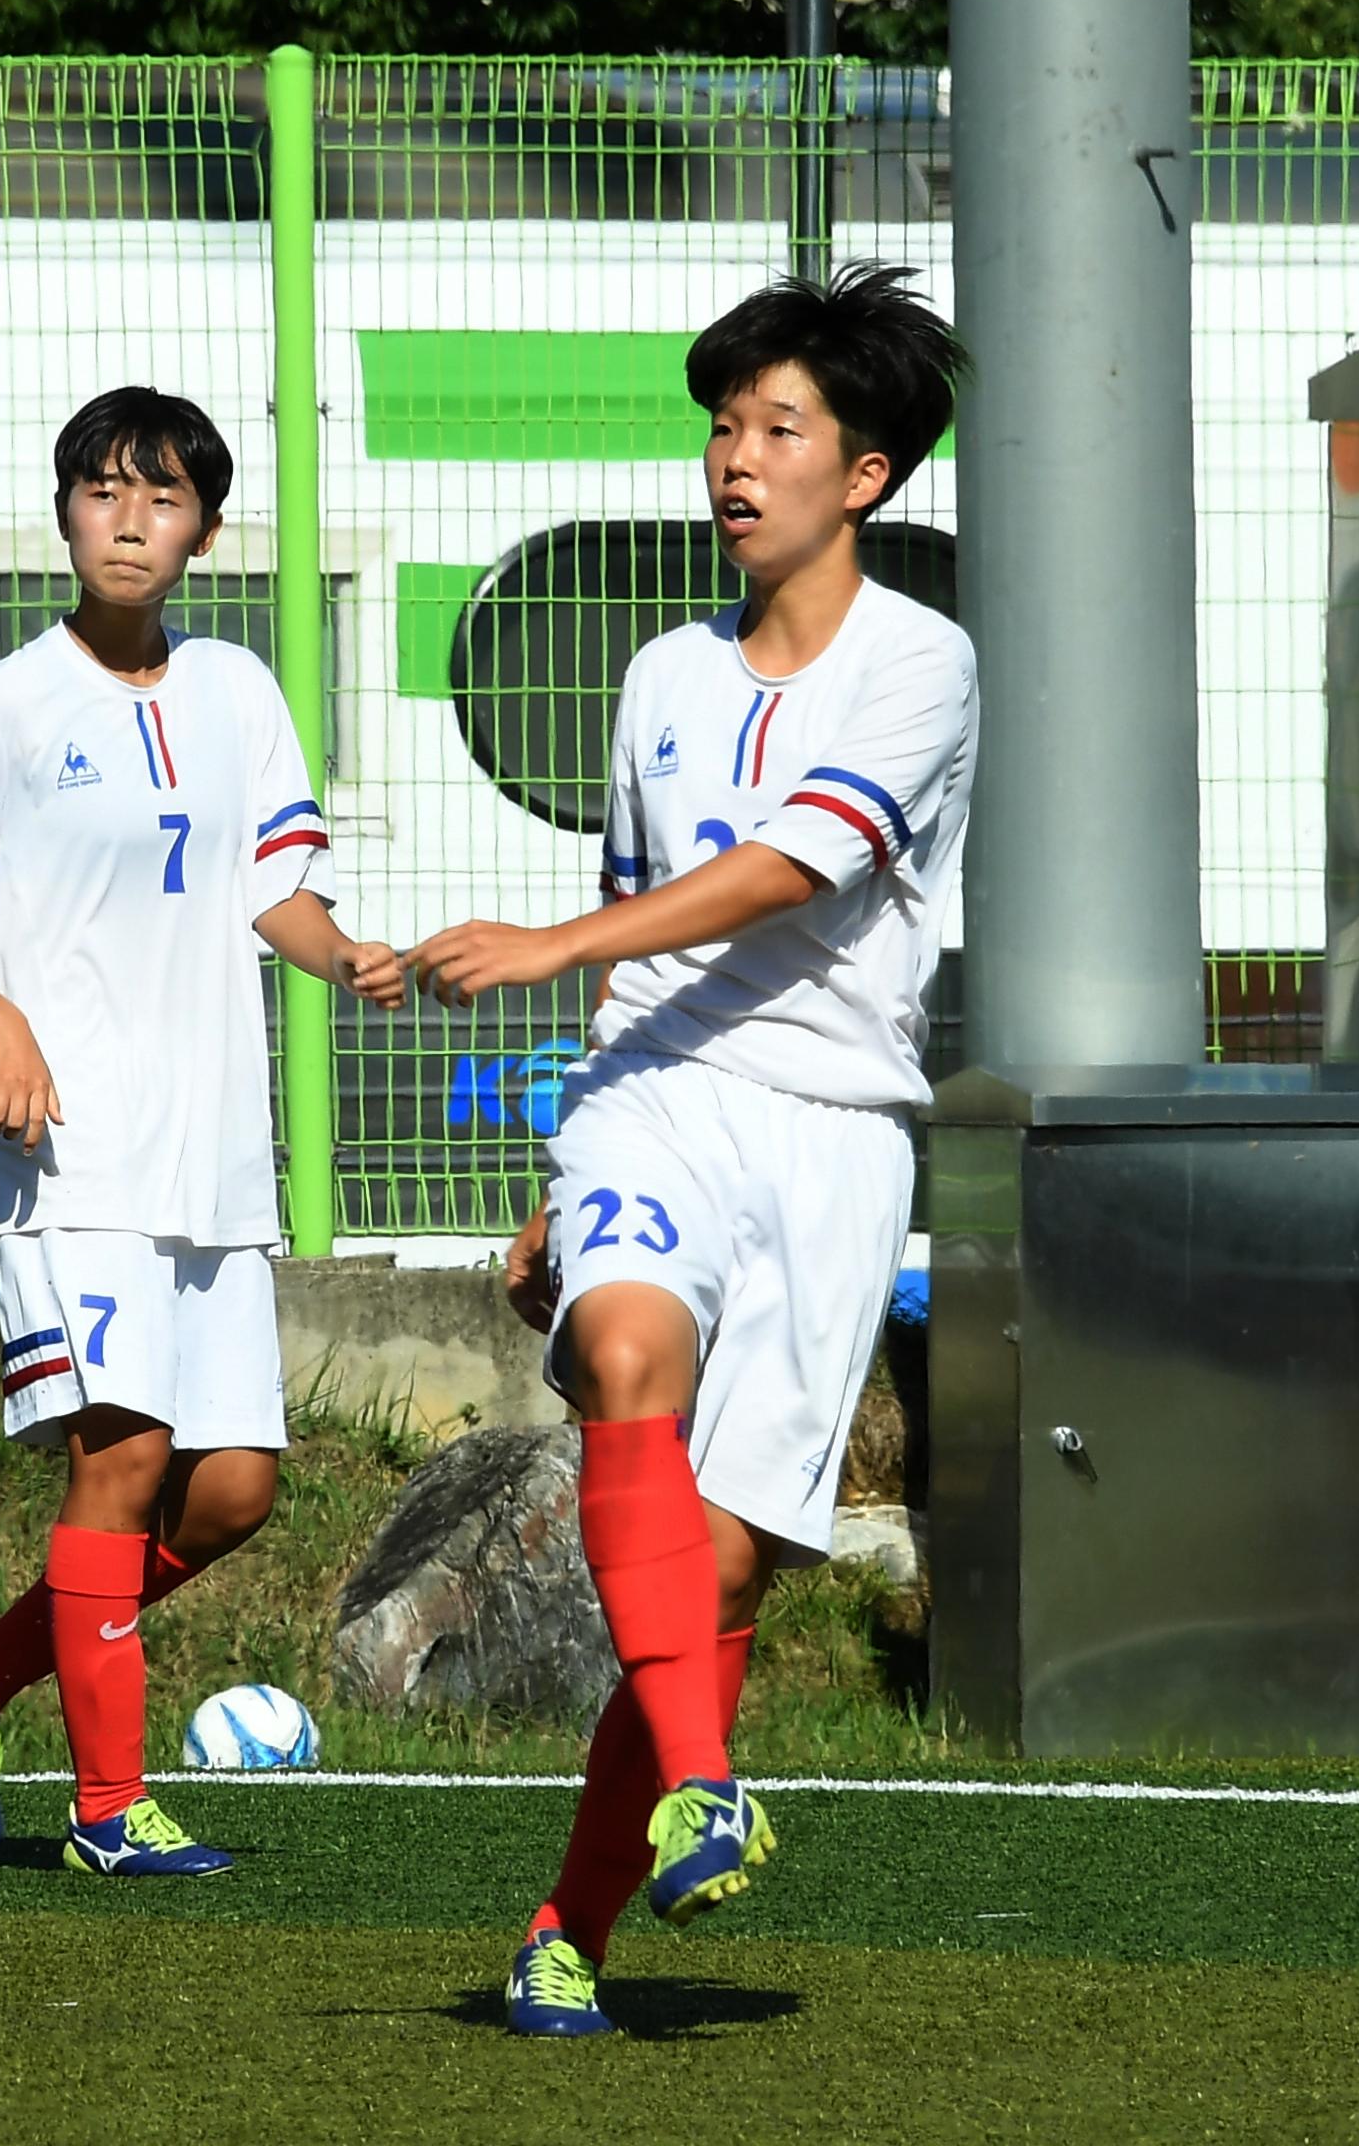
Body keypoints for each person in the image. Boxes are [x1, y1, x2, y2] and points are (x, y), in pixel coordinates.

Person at [402, 263, 971, 2040]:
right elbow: (637, 925)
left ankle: (564, 1925)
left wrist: (556, 946)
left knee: (718, 1580)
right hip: (657, 1088)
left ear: (862, 475)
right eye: (722, 426)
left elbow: (792, 869)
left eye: (776, 428)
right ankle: (710, 1787)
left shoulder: (925, 663)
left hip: (833, 1133)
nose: (734, 459)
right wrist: (556, 1166)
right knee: (627, 1351)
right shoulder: (658, 670)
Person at [0, 387, 403, 1878]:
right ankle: (109, 1810)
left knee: (233, 1493)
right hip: (75, 1157)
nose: (127, 518)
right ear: (65, 514)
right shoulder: (9, 709)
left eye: (160, 498)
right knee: (124, 1457)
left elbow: (271, 888)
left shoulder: (238, 690)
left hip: (212, 1155)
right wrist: (4, 1022)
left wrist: (345, 954)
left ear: (203, 530)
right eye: (102, 490)